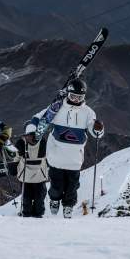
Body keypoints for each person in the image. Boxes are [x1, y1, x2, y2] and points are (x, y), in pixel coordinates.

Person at [30, 78, 104, 218]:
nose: (76, 100)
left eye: (79, 97)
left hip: (74, 160)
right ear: (67, 94)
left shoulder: (88, 112)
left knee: (72, 187)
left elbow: (95, 133)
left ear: (84, 97)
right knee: (56, 185)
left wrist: (98, 129)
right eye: (73, 96)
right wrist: (31, 129)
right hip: (56, 157)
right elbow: (39, 117)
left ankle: (68, 206)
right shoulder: (57, 108)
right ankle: (54, 200)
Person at [14, 123, 48, 218]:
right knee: (39, 197)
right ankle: (38, 213)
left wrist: (13, 167)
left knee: (26, 197)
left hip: (25, 176)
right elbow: (49, 157)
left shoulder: (21, 143)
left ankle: (26, 212)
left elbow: (16, 157)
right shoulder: (43, 142)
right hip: (40, 176)